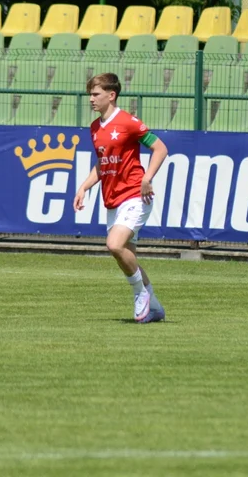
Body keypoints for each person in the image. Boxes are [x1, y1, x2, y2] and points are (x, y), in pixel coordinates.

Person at [73, 73, 169, 323]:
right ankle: (155, 307)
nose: (91, 99)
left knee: (114, 244)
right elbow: (102, 163)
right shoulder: (95, 128)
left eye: (96, 94)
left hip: (135, 195)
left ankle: (140, 294)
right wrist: (84, 186)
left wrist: (147, 178)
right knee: (126, 256)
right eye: (90, 95)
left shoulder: (128, 122)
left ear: (111, 95)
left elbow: (160, 148)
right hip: (113, 199)